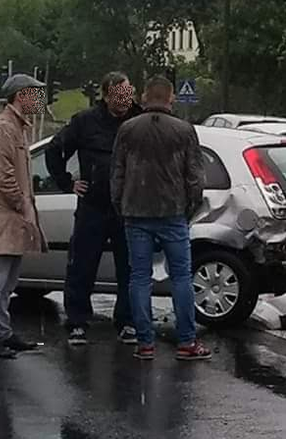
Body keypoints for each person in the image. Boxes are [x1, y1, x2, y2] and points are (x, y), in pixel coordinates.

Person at [111, 75, 211, 361]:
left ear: (144, 97)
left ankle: (145, 343)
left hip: (136, 211)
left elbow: (117, 172)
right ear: (170, 98)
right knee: (181, 276)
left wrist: (120, 204)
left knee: (139, 277)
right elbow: (195, 176)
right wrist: (189, 207)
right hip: (172, 211)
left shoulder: (127, 130)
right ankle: (187, 341)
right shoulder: (184, 130)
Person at [46, 72, 142, 346]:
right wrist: (67, 182)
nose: (125, 101)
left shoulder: (139, 120)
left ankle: (127, 321)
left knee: (130, 266)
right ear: (106, 95)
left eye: (128, 94)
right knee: (82, 264)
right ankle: (77, 321)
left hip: (128, 207)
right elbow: (55, 150)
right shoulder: (86, 122)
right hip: (94, 205)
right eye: (119, 96)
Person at [0, 73, 49, 359]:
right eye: (35, 94)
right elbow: (4, 176)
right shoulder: (3, 129)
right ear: (21, 96)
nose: (40, 100)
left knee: (7, 282)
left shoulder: (16, 127)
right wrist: (21, 204)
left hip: (13, 217)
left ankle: (1, 332)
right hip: (4, 216)